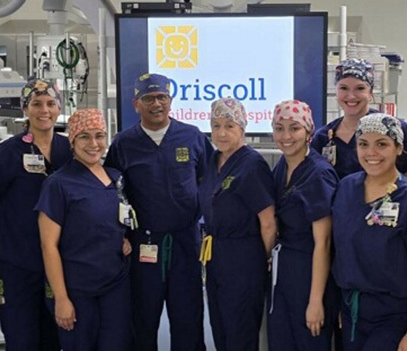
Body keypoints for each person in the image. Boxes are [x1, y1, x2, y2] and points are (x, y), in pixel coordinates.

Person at [104, 72, 213, 351]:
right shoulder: (123, 144)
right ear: (135, 103)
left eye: (162, 97)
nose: (156, 104)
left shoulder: (192, 137)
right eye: (148, 98)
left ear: (170, 100)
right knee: (143, 317)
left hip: (185, 242)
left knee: (188, 316)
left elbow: (208, 183)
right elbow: (113, 193)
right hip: (144, 244)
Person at [331, 113, 407, 351]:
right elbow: (342, 252)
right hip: (353, 310)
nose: (371, 153)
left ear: (398, 148)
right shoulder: (346, 188)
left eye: (382, 144)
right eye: (363, 144)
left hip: (395, 317)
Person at [0, 79, 69, 351]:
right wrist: (8, 235)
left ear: (59, 108)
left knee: (53, 339)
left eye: (50, 103)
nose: (44, 110)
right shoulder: (9, 153)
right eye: (36, 104)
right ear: (26, 109)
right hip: (17, 264)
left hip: (59, 264)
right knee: (21, 339)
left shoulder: (69, 150)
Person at [37, 108, 133, 351]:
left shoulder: (115, 178)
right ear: (72, 141)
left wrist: (123, 238)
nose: (93, 143)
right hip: (77, 289)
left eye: (99, 135)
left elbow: (118, 220)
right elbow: (48, 246)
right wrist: (61, 299)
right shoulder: (58, 183)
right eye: (84, 136)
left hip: (115, 285)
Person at [198, 97, 277, 351]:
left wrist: (260, 258)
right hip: (216, 257)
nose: (222, 133)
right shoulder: (213, 160)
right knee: (220, 329)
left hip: (244, 260)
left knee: (239, 332)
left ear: (242, 128)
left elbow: (268, 223)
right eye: (216, 125)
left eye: (229, 126)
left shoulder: (252, 165)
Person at [268, 100, 339, 351]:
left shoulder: (318, 174)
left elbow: (324, 242)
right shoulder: (281, 169)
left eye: (294, 128)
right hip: (284, 271)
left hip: (310, 272)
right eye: (279, 128)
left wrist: (315, 300)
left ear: (309, 131)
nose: (286, 136)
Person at [311, 58, 407, 182]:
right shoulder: (323, 137)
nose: (351, 96)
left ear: (370, 93)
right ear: (336, 92)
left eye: (360, 88)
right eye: (343, 88)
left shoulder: (395, 129)